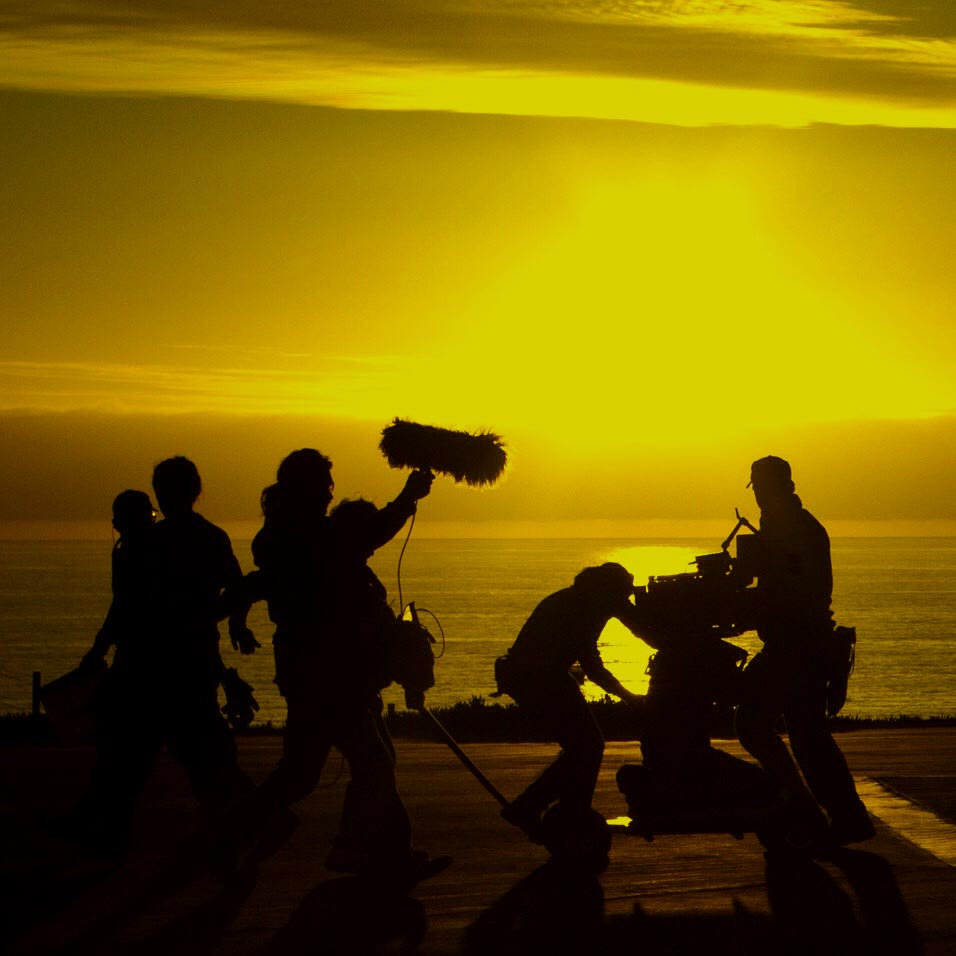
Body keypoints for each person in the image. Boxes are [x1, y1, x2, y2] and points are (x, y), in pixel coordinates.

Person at [237, 449, 449, 882]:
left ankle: (384, 851)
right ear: (308, 487)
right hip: (327, 675)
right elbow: (367, 534)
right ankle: (350, 847)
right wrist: (408, 496)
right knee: (365, 766)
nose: (330, 492)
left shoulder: (291, 535)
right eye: (324, 483)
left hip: (330, 673)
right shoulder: (306, 537)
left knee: (321, 770)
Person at [65, 461, 259, 863]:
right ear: (197, 491)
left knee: (129, 756)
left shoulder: (147, 543)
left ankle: (111, 835)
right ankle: (236, 833)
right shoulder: (212, 537)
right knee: (200, 759)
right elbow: (238, 588)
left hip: (146, 666)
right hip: (194, 662)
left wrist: (99, 650)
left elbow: (124, 606)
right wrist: (230, 621)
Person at [734, 456, 874, 847]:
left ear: (782, 486)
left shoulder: (792, 526)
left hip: (798, 643)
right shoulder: (785, 523)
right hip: (797, 641)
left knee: (759, 723)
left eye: (762, 487)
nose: (759, 495)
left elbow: (791, 587)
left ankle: (805, 807)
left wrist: (746, 596)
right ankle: (840, 815)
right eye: (756, 488)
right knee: (805, 732)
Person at [495, 563, 644, 838]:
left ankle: (564, 810)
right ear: (608, 591)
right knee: (588, 747)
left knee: (582, 747)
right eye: (622, 596)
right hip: (538, 677)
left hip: (538, 675)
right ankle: (548, 809)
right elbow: (592, 665)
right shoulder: (582, 609)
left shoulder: (579, 599)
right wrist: (629, 697)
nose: (623, 604)